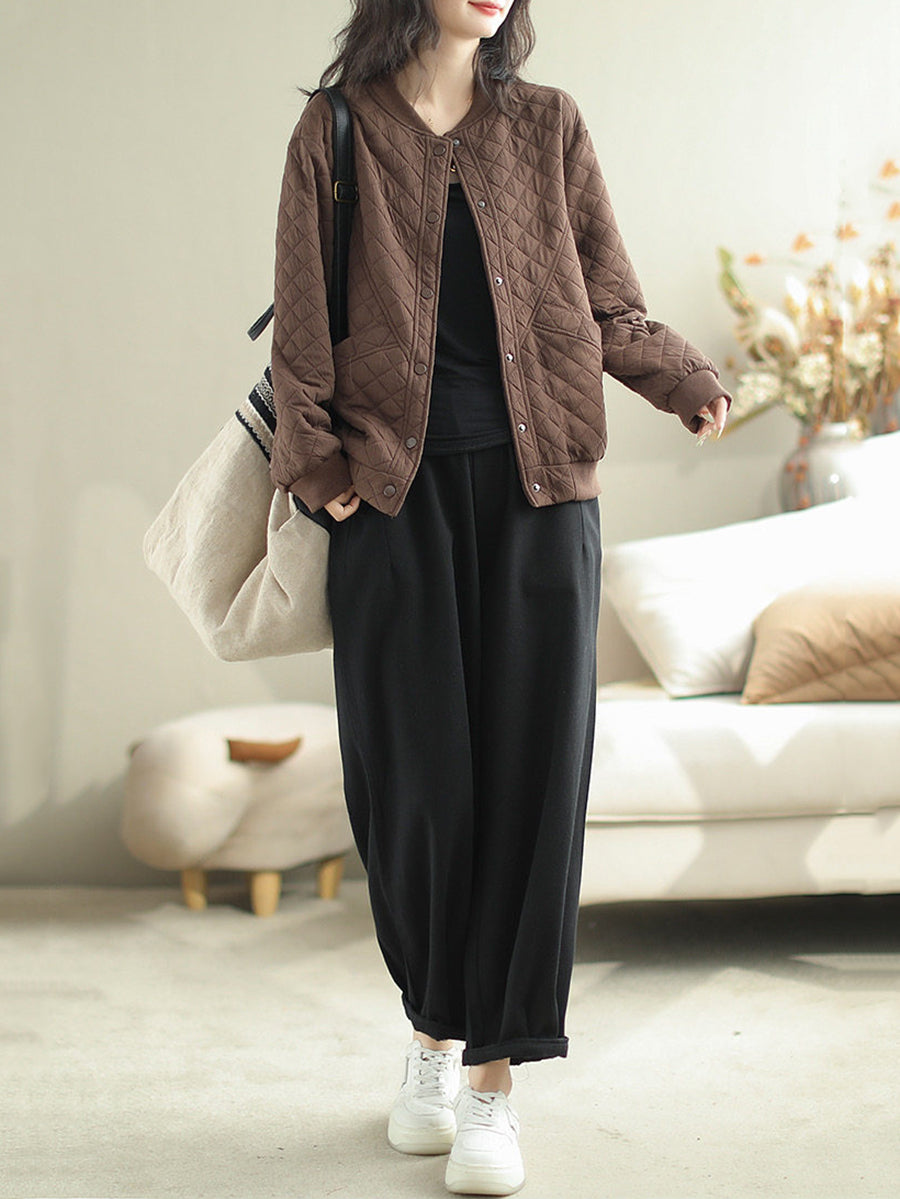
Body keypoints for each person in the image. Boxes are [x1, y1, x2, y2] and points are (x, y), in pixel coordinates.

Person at [269, 1, 731, 1193]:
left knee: (534, 783)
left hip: (543, 497)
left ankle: (490, 1082)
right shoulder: (335, 130)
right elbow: (302, 326)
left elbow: (607, 296)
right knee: (415, 787)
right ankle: (431, 1032)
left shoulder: (549, 125)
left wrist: (682, 376)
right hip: (393, 500)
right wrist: (318, 470)